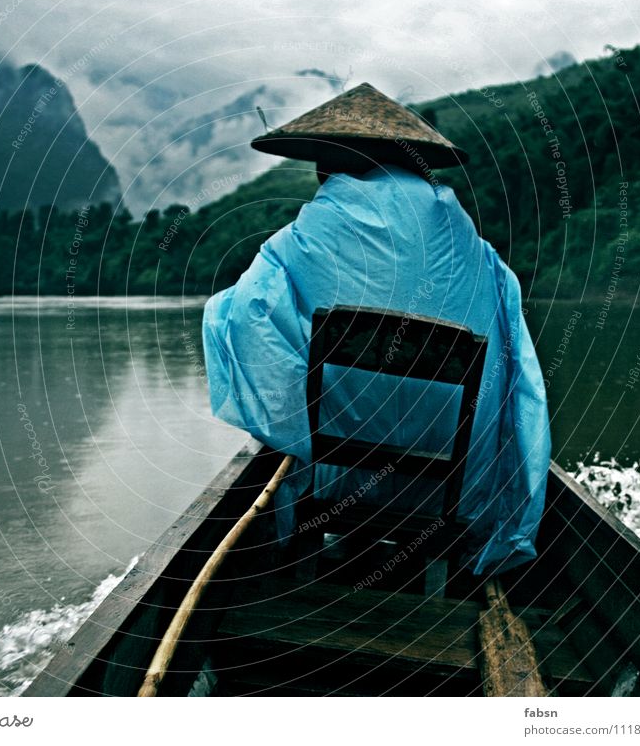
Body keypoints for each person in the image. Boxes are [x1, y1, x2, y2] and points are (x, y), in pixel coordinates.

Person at [202, 82, 550, 576]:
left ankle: (321, 559)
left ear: (334, 165)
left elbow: (243, 318)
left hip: (338, 478)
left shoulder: (306, 237)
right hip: (457, 484)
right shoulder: (480, 255)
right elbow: (524, 386)